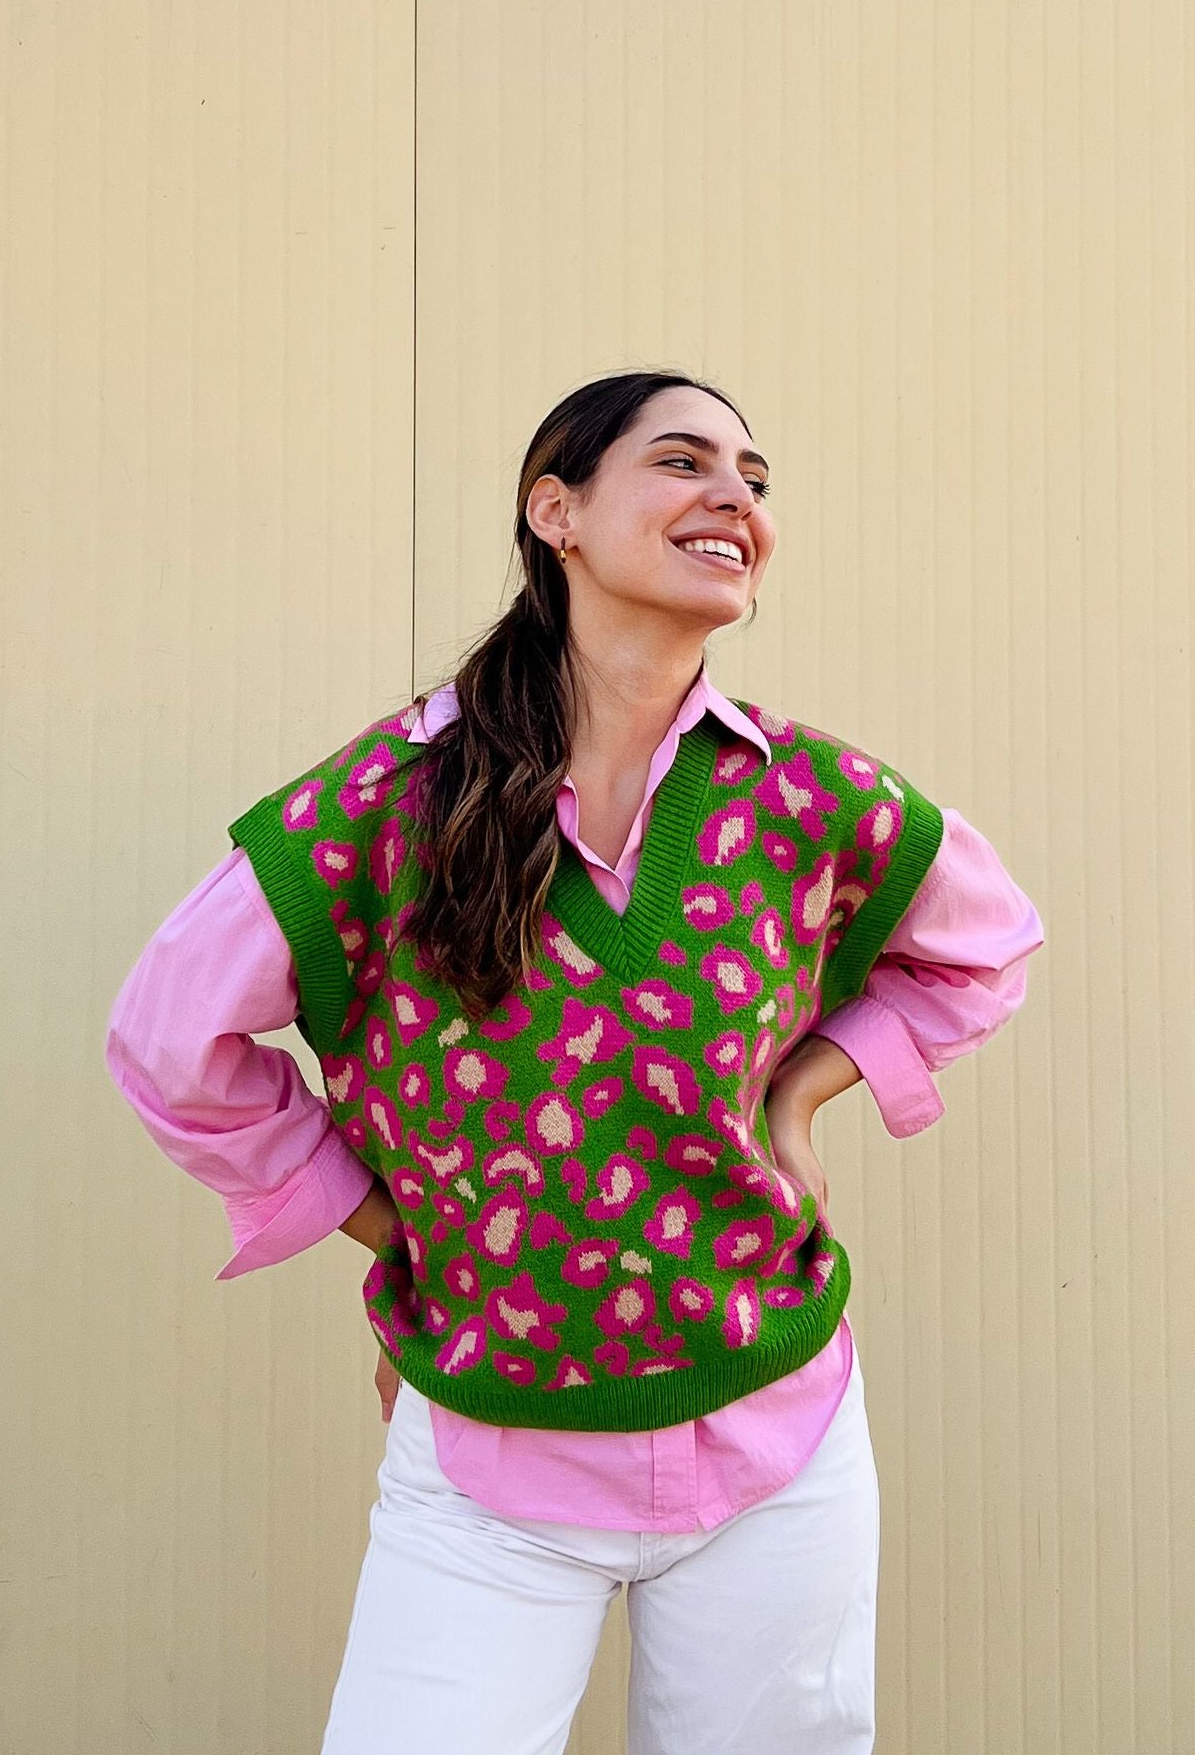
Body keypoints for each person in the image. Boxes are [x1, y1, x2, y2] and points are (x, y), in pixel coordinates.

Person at [105, 370, 1045, 1754]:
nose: (733, 496)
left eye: (753, 477)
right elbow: (168, 1038)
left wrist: (800, 1091)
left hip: (773, 1433)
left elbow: (984, 948)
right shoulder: (386, 800)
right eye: (682, 461)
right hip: (489, 1454)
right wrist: (385, 1215)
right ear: (556, 512)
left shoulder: (810, 794)